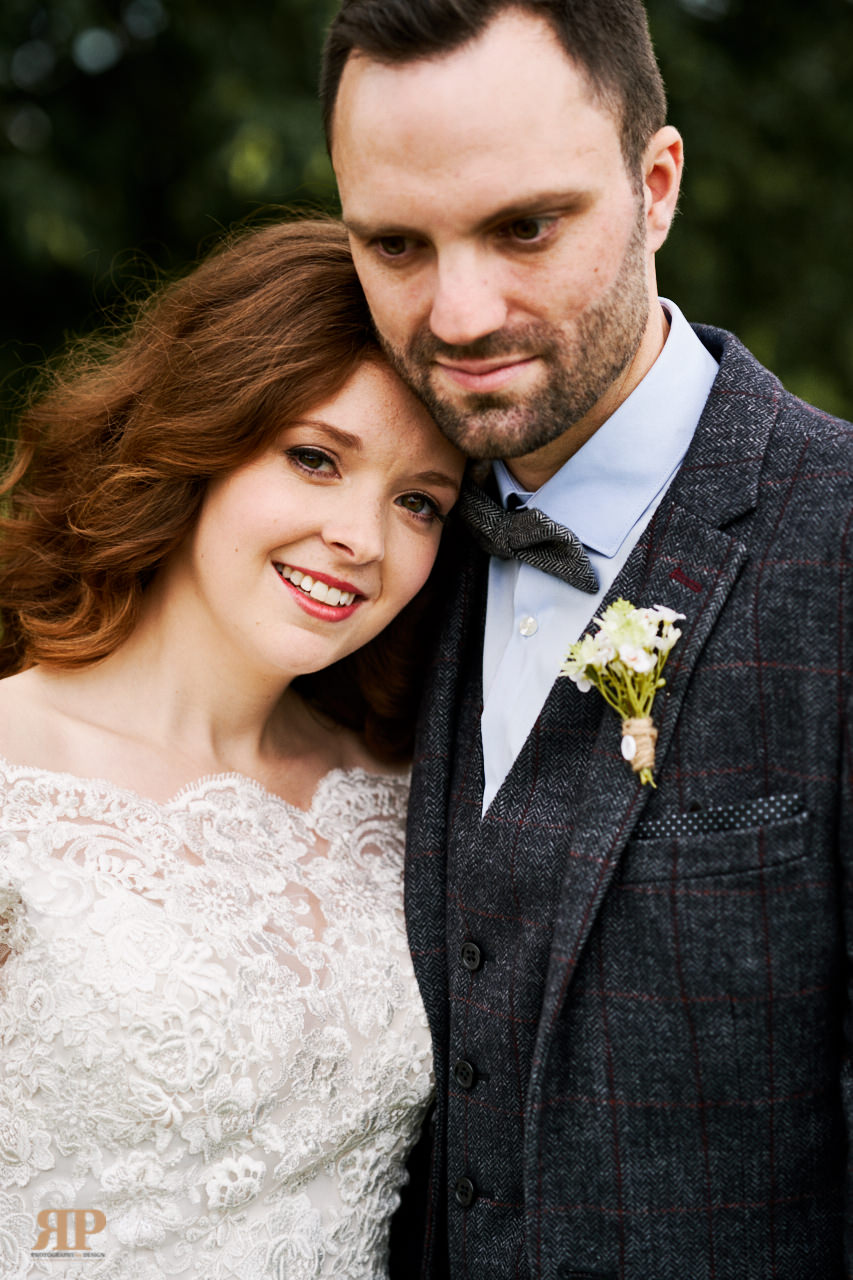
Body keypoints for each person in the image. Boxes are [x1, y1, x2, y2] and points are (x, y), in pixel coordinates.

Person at [320, 2, 853, 1277]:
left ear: (655, 185)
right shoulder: (364, 562)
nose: (457, 312)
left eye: (524, 227)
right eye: (395, 242)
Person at [0, 217, 465, 1278]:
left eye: (418, 501)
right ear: (201, 434)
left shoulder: (403, 794)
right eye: (314, 457)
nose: (363, 536)